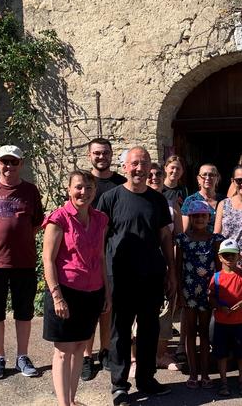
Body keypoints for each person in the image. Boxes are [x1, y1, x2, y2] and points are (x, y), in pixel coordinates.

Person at [97, 146, 176, 404]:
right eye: (134, 164)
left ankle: (146, 378)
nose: (139, 169)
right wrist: (101, 277)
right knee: (120, 331)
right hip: (120, 277)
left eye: (144, 163)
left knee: (149, 329)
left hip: (151, 276)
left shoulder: (157, 200)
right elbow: (99, 241)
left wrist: (171, 272)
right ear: (125, 167)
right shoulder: (110, 198)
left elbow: (165, 237)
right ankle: (119, 385)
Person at [0, 145, 44, 380]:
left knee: (24, 312)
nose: (9, 166)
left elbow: (37, 222)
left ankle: (22, 356)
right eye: (5, 161)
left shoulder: (30, 190)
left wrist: (21, 240)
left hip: (24, 261)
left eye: (14, 162)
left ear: (21, 164)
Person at [42, 171, 110, 406]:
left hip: (92, 292)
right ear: (69, 189)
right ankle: (64, 404)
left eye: (89, 188)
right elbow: (48, 260)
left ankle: (71, 400)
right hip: (65, 292)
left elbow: (100, 257)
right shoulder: (59, 219)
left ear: (95, 191)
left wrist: (107, 292)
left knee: (80, 347)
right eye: (79, 187)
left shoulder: (100, 219)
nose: (84, 192)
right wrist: (57, 297)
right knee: (63, 351)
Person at [84, 137, 126, 379]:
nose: (101, 157)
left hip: (113, 251)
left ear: (111, 154)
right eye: (97, 153)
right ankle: (86, 356)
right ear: (90, 155)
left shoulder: (121, 183)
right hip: (87, 253)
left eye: (105, 153)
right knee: (90, 306)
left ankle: (106, 351)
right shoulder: (84, 183)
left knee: (109, 304)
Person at [176, 200, 223, 390]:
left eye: (203, 215)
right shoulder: (182, 239)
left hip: (207, 292)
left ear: (209, 217)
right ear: (190, 217)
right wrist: (179, 293)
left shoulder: (215, 239)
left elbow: (219, 269)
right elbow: (178, 267)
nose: (199, 219)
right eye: (195, 216)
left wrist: (217, 292)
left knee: (204, 333)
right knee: (189, 332)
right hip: (188, 292)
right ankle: (193, 373)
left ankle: (205, 373)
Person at [209, 238, 242, 397]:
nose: (229, 258)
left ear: (239, 256)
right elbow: (211, 297)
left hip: (241, 323)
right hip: (221, 323)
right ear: (220, 257)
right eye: (226, 255)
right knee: (221, 354)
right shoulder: (216, 277)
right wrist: (219, 306)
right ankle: (223, 383)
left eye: (233, 255)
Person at [147, 163, 182, 371]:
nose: (154, 177)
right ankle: (137, 357)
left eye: (158, 174)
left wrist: (173, 269)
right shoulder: (138, 201)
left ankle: (161, 354)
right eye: (150, 174)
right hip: (143, 266)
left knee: (166, 310)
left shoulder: (171, 205)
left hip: (165, 264)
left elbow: (178, 238)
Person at [181, 164, 223, 233]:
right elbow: (185, 231)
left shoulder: (225, 201)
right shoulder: (191, 200)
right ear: (198, 179)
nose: (207, 178)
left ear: (217, 178)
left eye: (211, 175)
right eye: (204, 175)